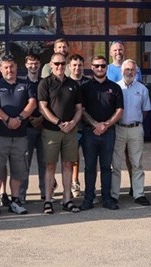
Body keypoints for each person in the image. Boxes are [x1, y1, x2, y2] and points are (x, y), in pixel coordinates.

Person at [0, 55, 37, 216]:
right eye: (6, 67)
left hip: (21, 136)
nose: (9, 70)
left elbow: (32, 103)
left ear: (17, 67)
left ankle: (15, 201)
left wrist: (20, 118)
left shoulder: (26, 84)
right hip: (0, 135)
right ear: (1, 69)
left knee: (18, 170)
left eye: (12, 67)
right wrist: (8, 119)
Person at [37, 51, 84, 213]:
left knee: (67, 165)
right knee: (50, 166)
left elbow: (79, 109)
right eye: (56, 64)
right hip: (51, 131)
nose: (60, 66)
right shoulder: (45, 83)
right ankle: (48, 200)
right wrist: (58, 122)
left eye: (63, 63)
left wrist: (72, 123)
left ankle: (67, 199)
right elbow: (43, 108)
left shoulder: (73, 84)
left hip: (70, 131)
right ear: (51, 65)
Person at [79, 55, 123, 210]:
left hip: (108, 132)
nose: (99, 68)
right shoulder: (85, 87)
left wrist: (106, 125)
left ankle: (107, 199)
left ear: (106, 68)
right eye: (96, 66)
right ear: (92, 67)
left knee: (106, 167)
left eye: (103, 66)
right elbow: (81, 110)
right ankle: (88, 199)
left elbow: (119, 110)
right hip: (89, 132)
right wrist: (95, 124)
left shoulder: (115, 87)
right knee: (90, 167)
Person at [112, 59, 151, 206]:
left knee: (137, 163)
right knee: (115, 164)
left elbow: (145, 111)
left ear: (136, 72)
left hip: (136, 129)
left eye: (132, 70)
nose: (129, 72)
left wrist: (135, 121)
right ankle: (114, 194)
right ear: (121, 71)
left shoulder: (142, 89)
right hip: (119, 129)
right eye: (127, 69)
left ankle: (139, 194)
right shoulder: (115, 88)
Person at [19, 52, 46, 202]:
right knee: (25, 163)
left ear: (40, 64)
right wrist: (30, 118)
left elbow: (50, 103)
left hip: (43, 127)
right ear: (26, 65)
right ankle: (22, 194)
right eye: (30, 63)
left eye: (36, 63)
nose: (33, 66)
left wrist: (41, 118)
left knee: (44, 162)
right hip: (26, 128)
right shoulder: (21, 83)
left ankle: (45, 192)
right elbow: (18, 104)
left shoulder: (45, 82)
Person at [67, 53, 87, 196]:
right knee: (72, 157)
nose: (77, 68)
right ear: (69, 66)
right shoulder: (65, 83)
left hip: (88, 127)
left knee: (90, 159)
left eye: (79, 65)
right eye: (74, 65)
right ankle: (74, 182)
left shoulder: (89, 83)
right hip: (73, 127)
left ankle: (90, 188)